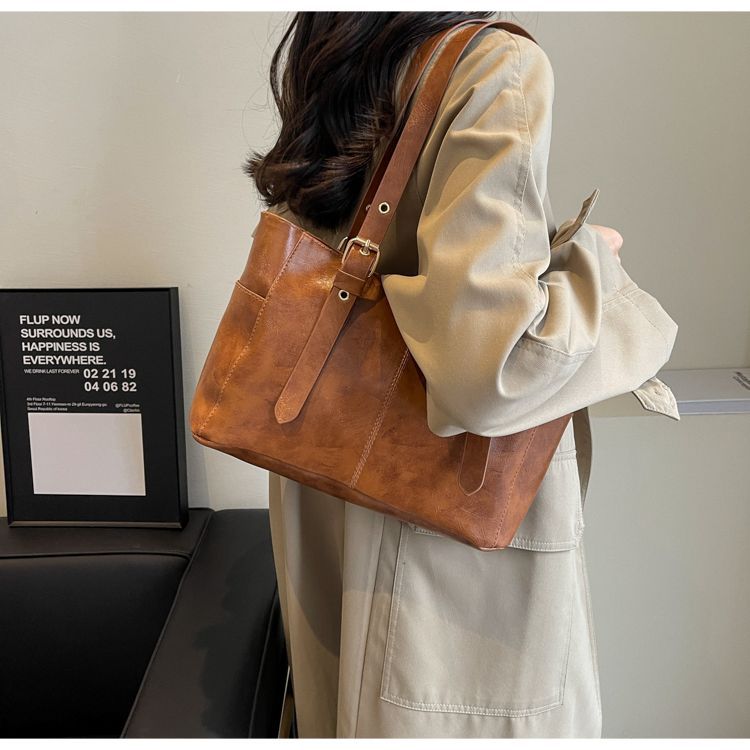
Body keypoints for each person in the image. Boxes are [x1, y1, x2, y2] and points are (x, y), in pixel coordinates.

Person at [244, 11, 680, 738]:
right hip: (443, 552)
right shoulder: (494, 63)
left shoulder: (347, 39)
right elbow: (493, 369)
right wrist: (595, 267)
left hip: (335, 479)